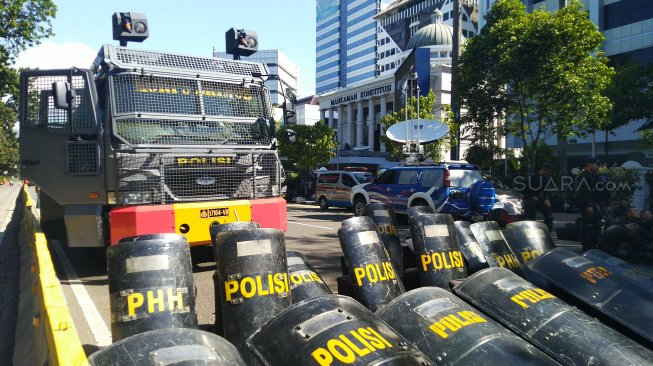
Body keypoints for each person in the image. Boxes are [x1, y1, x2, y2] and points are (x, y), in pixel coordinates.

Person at [576, 156, 603, 252]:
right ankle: (586, 246)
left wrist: (595, 204)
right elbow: (583, 192)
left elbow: (591, 193)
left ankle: (591, 245)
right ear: (590, 164)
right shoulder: (584, 175)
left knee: (593, 224)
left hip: (590, 203)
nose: (597, 166)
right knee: (587, 225)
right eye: (595, 164)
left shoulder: (589, 175)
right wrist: (588, 205)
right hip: (586, 204)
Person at [522, 164, 555, 232]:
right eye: (547, 172)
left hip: (540, 198)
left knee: (549, 217)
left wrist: (547, 199)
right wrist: (531, 196)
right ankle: (532, 232)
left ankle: (547, 233)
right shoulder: (531, 177)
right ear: (543, 170)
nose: (548, 174)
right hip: (529, 198)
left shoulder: (545, 178)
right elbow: (524, 189)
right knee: (531, 217)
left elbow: (546, 189)